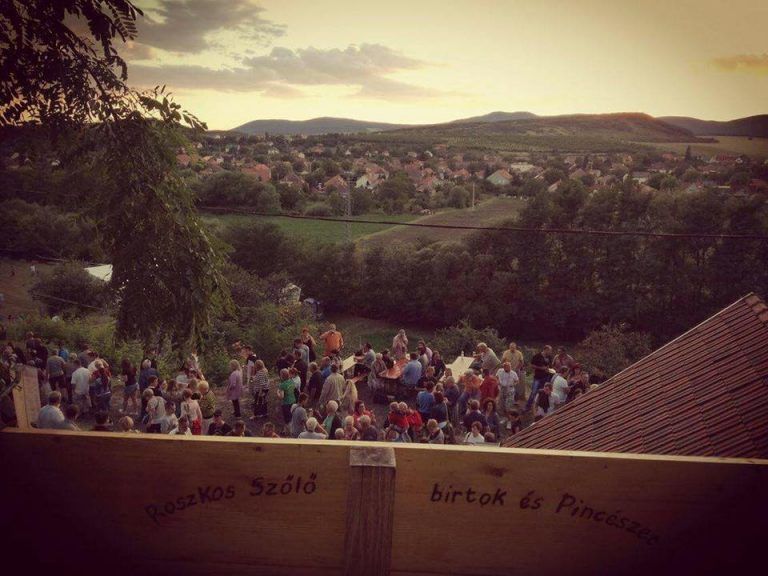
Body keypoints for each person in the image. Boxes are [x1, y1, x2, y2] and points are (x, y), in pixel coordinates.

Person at [525, 345, 553, 413]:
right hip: (538, 378)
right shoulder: (537, 356)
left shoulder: (549, 357)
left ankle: (540, 407)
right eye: (550, 351)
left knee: (543, 392)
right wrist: (541, 368)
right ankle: (527, 407)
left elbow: (549, 365)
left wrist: (548, 369)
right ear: (545, 350)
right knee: (534, 392)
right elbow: (532, 365)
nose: (550, 352)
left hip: (546, 377)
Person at [496, 362, 519, 427]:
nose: (509, 368)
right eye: (507, 367)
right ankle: (504, 417)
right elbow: (497, 376)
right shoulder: (500, 371)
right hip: (502, 389)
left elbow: (517, 381)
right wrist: (498, 381)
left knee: (508, 406)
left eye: (509, 367)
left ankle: (509, 421)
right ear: (504, 367)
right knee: (502, 405)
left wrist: (513, 384)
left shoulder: (513, 373)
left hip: (510, 391)